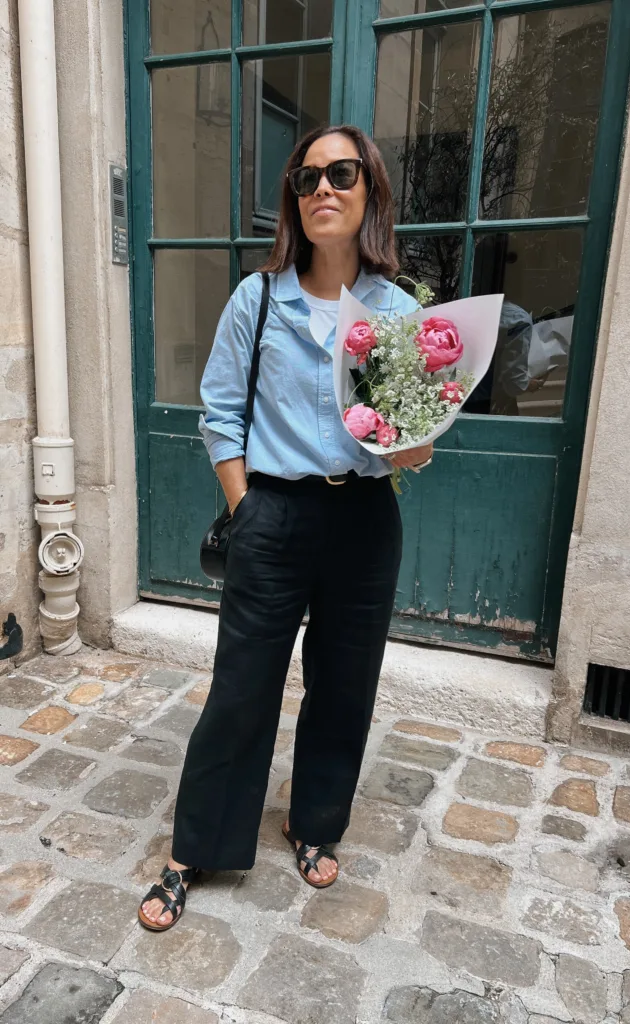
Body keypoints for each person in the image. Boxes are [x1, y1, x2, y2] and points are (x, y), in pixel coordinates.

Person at [138, 124, 433, 931]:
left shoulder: (401, 314)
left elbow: (412, 446)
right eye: (306, 179)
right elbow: (220, 414)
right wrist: (247, 507)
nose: (322, 191)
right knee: (241, 688)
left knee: (344, 686)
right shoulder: (258, 297)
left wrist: (417, 437)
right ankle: (196, 844)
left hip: (365, 517)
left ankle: (314, 823)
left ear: (369, 189)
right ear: (293, 201)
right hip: (272, 512)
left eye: (341, 174)